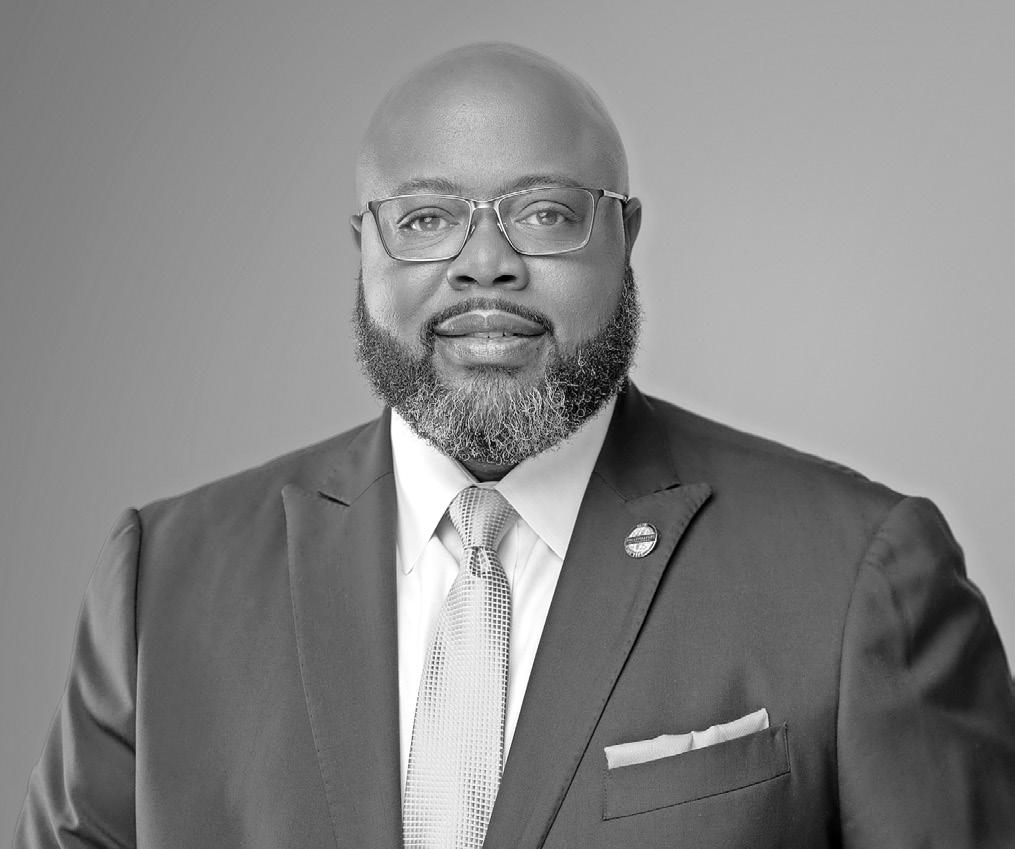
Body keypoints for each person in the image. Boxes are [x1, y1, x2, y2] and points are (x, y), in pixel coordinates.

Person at [14, 42, 1015, 849]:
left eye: (544, 213)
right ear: (364, 249)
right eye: (426, 218)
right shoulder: (166, 582)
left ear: (624, 237)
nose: (484, 264)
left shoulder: (853, 574)